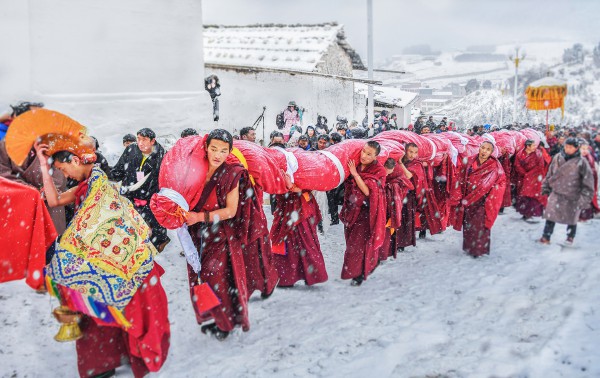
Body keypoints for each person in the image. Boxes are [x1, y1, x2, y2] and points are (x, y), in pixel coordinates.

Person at [34, 141, 170, 378]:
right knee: (98, 310)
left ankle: (106, 360)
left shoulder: (100, 187)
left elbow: (104, 226)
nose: (65, 175)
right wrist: (44, 166)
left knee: (102, 309)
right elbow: (53, 200)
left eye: (64, 170)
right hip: (100, 261)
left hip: (117, 261)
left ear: (75, 161)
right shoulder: (86, 186)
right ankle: (104, 361)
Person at [185, 129, 277, 339]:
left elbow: (230, 211)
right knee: (200, 279)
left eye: (223, 150)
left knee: (218, 280)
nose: (217, 155)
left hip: (221, 235)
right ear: (206, 147)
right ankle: (214, 317)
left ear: (229, 152)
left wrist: (199, 218)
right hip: (197, 235)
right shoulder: (195, 170)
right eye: (214, 149)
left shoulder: (232, 173)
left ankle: (225, 324)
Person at [0, 104, 67, 234]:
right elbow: (3, 174)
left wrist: (47, 189)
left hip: (50, 200)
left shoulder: (53, 142)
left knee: (51, 240)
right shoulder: (5, 145)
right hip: (21, 203)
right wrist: (31, 192)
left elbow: (63, 170)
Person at [111, 128, 170, 252]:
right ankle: (134, 249)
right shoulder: (131, 150)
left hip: (151, 197)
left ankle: (158, 243)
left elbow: (164, 178)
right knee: (130, 225)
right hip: (130, 194)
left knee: (156, 224)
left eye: (144, 139)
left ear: (152, 141)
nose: (140, 142)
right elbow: (120, 168)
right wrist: (111, 177)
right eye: (138, 139)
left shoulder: (161, 155)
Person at [340, 141, 387, 286]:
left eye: (369, 154)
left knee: (358, 244)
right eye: (364, 152)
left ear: (375, 157)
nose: (364, 156)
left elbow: (368, 191)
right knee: (351, 242)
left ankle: (358, 274)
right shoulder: (356, 163)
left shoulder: (379, 170)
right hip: (353, 208)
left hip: (367, 212)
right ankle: (368, 264)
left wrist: (355, 175)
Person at [449, 141, 506, 257]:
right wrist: (458, 193)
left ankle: (478, 250)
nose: (484, 151)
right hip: (468, 198)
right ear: (479, 148)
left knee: (480, 225)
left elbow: (501, 182)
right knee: (469, 225)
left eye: (487, 149)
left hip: (483, 200)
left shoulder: (494, 166)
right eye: (483, 148)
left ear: (491, 152)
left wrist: (491, 196)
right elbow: (459, 176)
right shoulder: (469, 161)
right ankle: (469, 247)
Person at [539, 138, 595, 245]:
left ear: (576, 148)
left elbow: (588, 182)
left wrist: (584, 198)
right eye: (566, 146)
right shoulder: (557, 157)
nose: (568, 149)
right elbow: (550, 174)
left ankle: (570, 236)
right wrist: (546, 186)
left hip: (573, 195)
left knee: (572, 218)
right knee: (550, 215)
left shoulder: (581, 162)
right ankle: (546, 236)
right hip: (556, 193)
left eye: (570, 147)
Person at [270, 189, 328, 287]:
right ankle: (288, 276)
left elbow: (310, 184)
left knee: (305, 240)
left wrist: (296, 187)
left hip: (301, 204)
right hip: (289, 203)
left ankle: (305, 274)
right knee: (293, 240)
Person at [381, 157, 414, 259]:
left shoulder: (397, 171)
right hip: (386, 202)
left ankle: (385, 252)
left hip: (394, 201)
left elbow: (409, 176)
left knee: (388, 227)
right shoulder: (380, 167)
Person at [513, 140, 548, 221]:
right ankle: (525, 213)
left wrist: (531, 174)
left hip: (534, 178)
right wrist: (524, 174)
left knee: (533, 195)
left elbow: (541, 165)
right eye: (533, 146)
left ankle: (533, 213)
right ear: (527, 146)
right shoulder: (520, 154)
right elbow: (517, 165)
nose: (535, 147)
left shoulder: (538, 154)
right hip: (522, 178)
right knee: (523, 196)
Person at [396, 143, 418, 250]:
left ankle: (402, 243)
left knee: (405, 218)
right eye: (410, 151)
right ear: (405, 151)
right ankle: (394, 241)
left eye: (415, 152)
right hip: (397, 193)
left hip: (408, 195)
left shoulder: (416, 163)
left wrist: (400, 163)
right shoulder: (399, 159)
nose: (412, 155)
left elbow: (409, 175)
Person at [579, 140, 600, 221]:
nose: (584, 150)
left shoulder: (590, 158)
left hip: (589, 182)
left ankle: (587, 215)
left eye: (586, 149)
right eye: (583, 148)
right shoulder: (576, 158)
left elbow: (595, 171)